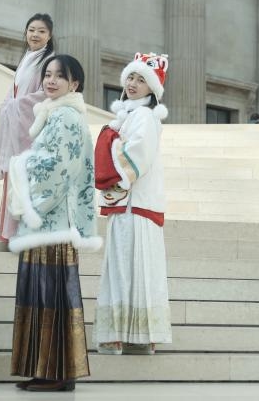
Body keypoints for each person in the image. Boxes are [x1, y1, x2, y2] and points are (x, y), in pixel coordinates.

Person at [5, 55, 101, 392]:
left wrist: (21, 166)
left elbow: (58, 168)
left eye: (60, 76)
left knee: (49, 295)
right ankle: (48, 369)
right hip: (48, 222)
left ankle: (57, 371)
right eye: (47, 74)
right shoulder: (56, 114)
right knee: (46, 295)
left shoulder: (65, 116)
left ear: (74, 84)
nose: (51, 80)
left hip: (52, 222)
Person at [94, 53, 173, 355]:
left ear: (152, 89)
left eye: (141, 80)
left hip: (136, 205)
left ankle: (124, 334)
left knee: (128, 265)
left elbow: (137, 155)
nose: (133, 84)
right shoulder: (131, 116)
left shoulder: (143, 117)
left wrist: (110, 141)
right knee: (131, 266)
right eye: (131, 77)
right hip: (131, 204)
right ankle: (136, 334)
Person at [0, 13, 55, 243]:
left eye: (41, 31)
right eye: (31, 30)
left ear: (49, 36)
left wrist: (16, 105)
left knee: (27, 178)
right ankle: (11, 232)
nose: (35, 35)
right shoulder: (27, 58)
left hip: (32, 128)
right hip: (17, 126)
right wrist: (7, 105)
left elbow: (45, 94)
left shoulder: (49, 62)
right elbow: (15, 90)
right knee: (16, 176)